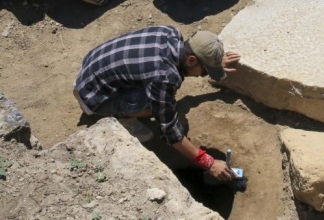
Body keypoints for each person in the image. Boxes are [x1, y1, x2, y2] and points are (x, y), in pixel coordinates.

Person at [73, 25, 241, 181]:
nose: (201, 75)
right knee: (155, 106)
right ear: (191, 60)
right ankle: (123, 119)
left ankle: (125, 105)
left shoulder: (170, 33)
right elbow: (170, 132)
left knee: (159, 96)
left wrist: (214, 64)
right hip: (93, 96)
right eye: (204, 71)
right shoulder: (164, 77)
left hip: (91, 67)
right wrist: (209, 162)